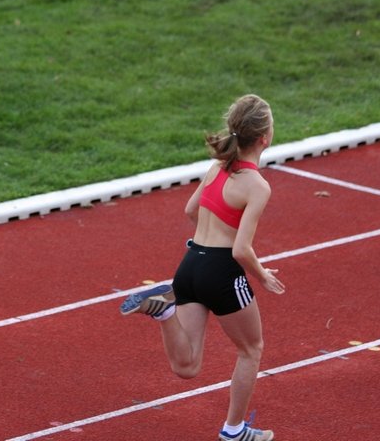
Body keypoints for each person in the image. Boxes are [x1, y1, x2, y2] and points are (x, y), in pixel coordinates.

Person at [120, 94, 285, 441]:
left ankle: (164, 313)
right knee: (251, 349)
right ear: (264, 138)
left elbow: (190, 211)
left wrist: (207, 241)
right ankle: (234, 431)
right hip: (222, 272)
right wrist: (263, 276)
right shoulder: (257, 186)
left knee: (187, 366)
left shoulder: (215, 169)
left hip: (191, 265)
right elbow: (241, 249)